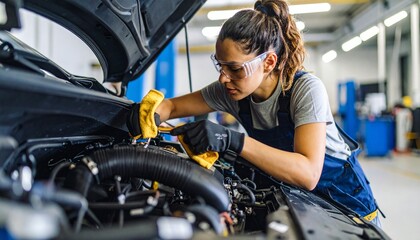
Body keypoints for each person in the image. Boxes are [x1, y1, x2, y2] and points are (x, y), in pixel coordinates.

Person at [128, 0, 382, 226]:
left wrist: (233, 140)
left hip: (347, 212)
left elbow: (307, 174)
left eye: (235, 68)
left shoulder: (304, 90)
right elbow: (171, 106)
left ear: (269, 62)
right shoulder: (230, 91)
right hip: (296, 203)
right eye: (220, 65)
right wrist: (147, 116)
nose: (223, 78)